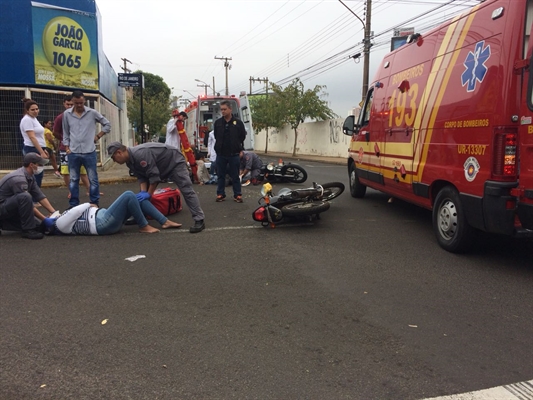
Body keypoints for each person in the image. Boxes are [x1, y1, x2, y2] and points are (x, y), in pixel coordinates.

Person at [107, 142, 206, 233]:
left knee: (186, 190)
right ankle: (141, 216)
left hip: (174, 161)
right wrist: (143, 192)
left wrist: (148, 194)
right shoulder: (129, 161)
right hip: (159, 166)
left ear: (119, 153)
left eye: (113, 157)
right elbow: (142, 177)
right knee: (142, 195)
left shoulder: (140, 155)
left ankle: (199, 219)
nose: (114, 161)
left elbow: (154, 177)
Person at [42, 190, 182, 236]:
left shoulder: (60, 222)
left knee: (137, 199)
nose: (50, 215)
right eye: (49, 217)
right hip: (102, 224)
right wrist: (88, 204)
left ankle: (164, 221)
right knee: (128, 195)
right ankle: (143, 225)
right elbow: (74, 212)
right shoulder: (59, 224)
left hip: (103, 217)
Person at [62, 90, 111, 207]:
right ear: (72, 101)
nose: (79, 105)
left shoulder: (92, 113)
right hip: (73, 152)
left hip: (89, 151)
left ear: (84, 101)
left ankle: (94, 203)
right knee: (73, 179)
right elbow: (66, 132)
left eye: (81, 103)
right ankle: (73, 204)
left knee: (93, 179)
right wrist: (67, 148)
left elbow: (107, 124)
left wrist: (98, 136)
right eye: (76, 103)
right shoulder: (67, 114)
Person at [0, 153, 59, 239]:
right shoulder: (19, 179)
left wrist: (54, 213)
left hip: (9, 208)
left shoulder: (30, 176)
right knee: (25, 197)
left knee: (40, 227)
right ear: (31, 165)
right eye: (40, 164)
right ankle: (28, 230)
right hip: (2, 207)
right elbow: (27, 203)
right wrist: (44, 219)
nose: (42, 166)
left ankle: (3, 222)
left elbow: (40, 196)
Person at [53, 95, 91, 197]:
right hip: (65, 148)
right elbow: (55, 132)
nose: (69, 106)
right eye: (67, 104)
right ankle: (71, 191)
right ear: (64, 104)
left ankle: (89, 190)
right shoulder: (60, 117)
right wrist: (64, 139)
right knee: (66, 171)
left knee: (82, 170)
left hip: (80, 148)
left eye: (71, 104)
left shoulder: (80, 116)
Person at [213, 100, 247, 203]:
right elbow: (216, 136)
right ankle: (220, 194)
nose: (222, 111)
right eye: (221, 109)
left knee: (235, 175)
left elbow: (242, 136)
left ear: (230, 109)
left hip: (234, 154)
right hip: (221, 154)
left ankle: (237, 195)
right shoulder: (218, 123)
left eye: (225, 109)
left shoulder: (238, 123)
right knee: (221, 175)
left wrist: (238, 147)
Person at [19, 98, 49, 187]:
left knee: (38, 174)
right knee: (35, 175)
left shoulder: (33, 119)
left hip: (38, 148)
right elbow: (32, 137)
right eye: (32, 110)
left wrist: (44, 149)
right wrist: (41, 152)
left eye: (37, 109)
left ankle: (36, 198)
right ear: (27, 110)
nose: (35, 111)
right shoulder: (27, 120)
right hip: (32, 149)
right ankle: (34, 199)